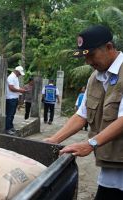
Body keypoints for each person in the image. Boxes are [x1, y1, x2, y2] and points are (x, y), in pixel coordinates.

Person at [44, 25, 123, 199]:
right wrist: (52, 141)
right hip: (112, 168)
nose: (87, 61)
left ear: (109, 48)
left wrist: (90, 144)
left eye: (91, 55)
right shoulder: (94, 78)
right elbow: (82, 115)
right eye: (84, 56)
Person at [5, 66, 26, 135]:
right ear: (17, 71)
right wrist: (20, 90)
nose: (20, 75)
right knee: (9, 114)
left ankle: (11, 127)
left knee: (12, 114)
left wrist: (21, 90)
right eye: (19, 73)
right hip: (10, 98)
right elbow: (11, 88)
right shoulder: (11, 77)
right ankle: (7, 128)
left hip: (14, 98)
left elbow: (16, 87)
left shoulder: (15, 77)